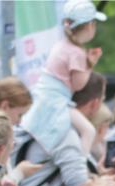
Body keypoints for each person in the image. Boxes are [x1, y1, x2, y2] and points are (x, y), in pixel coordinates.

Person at [12, 72, 115, 186]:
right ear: (95, 104)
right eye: (103, 99)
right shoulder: (65, 132)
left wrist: (99, 177)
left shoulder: (47, 120)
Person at [20, 0, 106, 155]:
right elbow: (78, 84)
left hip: (45, 97)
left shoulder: (62, 45)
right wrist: (90, 64)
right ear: (89, 26)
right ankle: (81, 163)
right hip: (56, 102)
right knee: (89, 131)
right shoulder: (76, 52)